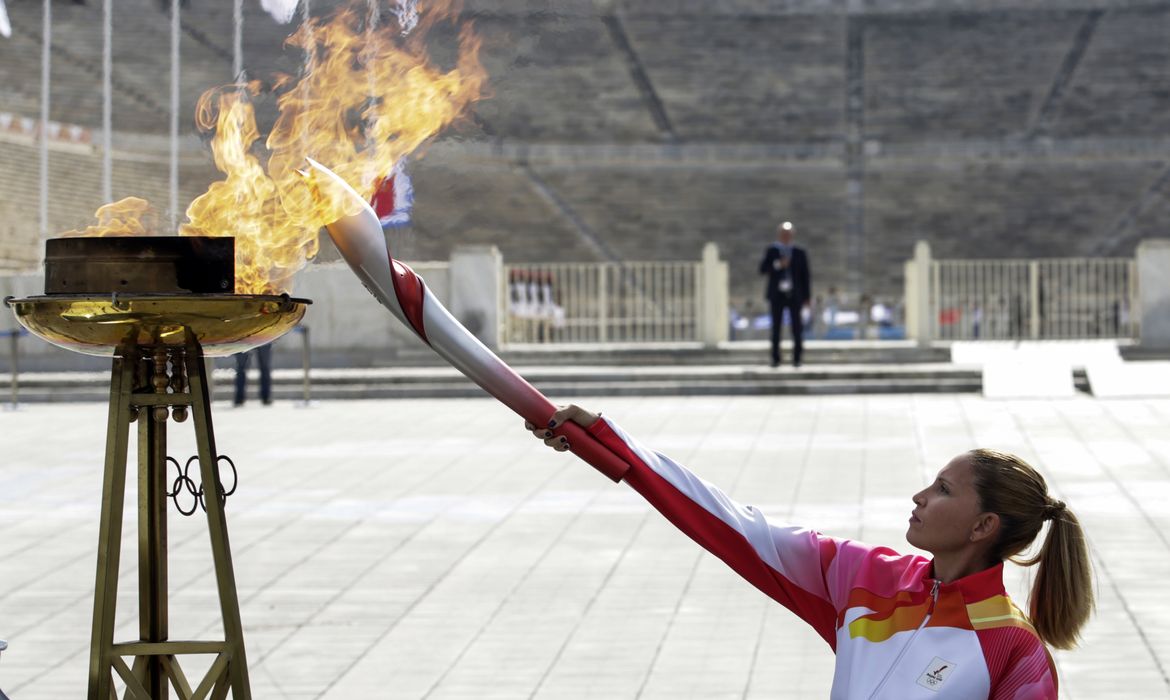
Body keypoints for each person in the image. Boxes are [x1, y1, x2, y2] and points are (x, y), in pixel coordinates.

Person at [526, 405, 1093, 698]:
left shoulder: (1014, 650)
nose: (919, 496)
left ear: (983, 526)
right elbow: (730, 524)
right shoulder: (864, 580)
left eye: (944, 490)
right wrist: (605, 442)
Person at [758, 221, 811, 367]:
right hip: (777, 294)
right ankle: (775, 359)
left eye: (789, 234)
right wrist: (778, 265)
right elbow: (762, 269)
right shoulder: (772, 251)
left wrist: (807, 297)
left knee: (796, 327)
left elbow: (805, 276)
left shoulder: (799, 252)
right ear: (779, 235)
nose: (786, 237)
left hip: (795, 295)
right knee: (776, 327)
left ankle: (797, 358)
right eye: (784, 234)